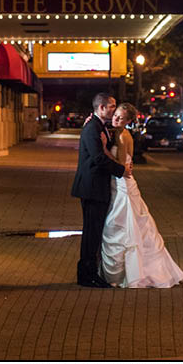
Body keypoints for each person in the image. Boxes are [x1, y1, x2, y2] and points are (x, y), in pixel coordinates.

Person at [99, 102, 183, 288]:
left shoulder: (123, 136)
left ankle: (133, 273)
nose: (116, 119)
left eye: (121, 118)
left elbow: (122, 165)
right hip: (119, 183)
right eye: (116, 115)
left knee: (123, 224)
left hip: (122, 184)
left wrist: (104, 149)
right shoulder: (117, 133)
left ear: (128, 121)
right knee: (126, 224)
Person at [71, 92, 132, 288]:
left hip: (98, 186)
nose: (115, 109)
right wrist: (121, 170)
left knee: (95, 232)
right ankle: (86, 275)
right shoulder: (92, 128)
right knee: (91, 232)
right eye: (112, 106)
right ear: (102, 107)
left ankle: (91, 271)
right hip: (92, 188)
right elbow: (98, 157)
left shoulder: (100, 126)